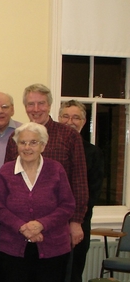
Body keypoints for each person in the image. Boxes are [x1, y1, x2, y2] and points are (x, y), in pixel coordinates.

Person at [4, 84, 88, 250]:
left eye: (41, 103)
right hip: (22, 230)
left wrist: (76, 221)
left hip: (58, 227)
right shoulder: (15, 137)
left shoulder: (69, 136)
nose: (36, 109)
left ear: (49, 105)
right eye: (30, 104)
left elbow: (79, 182)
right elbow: (7, 184)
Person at [0, 122, 75, 281]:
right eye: (22, 142)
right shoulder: (6, 171)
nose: (27, 147)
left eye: (33, 142)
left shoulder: (56, 169)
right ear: (17, 145)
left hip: (53, 248)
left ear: (43, 146)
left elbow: (67, 206)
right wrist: (22, 227)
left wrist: (41, 224)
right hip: (13, 248)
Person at [59, 100, 105, 282]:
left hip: (77, 225)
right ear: (59, 118)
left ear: (84, 122)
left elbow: (92, 194)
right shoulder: (49, 148)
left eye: (76, 117)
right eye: (66, 116)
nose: (70, 121)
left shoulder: (93, 153)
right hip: (52, 225)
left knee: (73, 274)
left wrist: (74, 222)